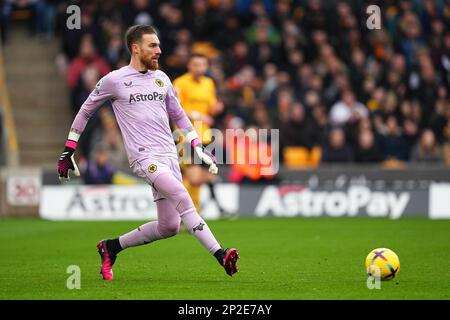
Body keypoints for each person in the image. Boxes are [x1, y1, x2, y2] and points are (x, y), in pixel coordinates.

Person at [57, 25, 239, 281]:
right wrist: (69, 150)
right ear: (135, 48)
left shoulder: (162, 78)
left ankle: (110, 247)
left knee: (169, 226)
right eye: (152, 46)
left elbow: (179, 115)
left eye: (159, 45)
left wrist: (198, 146)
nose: (159, 51)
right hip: (145, 158)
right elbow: (86, 110)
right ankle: (221, 255)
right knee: (182, 195)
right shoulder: (114, 80)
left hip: (169, 156)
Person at [173, 54, 228, 216]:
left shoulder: (208, 83)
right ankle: (181, 211)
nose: (200, 68)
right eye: (196, 64)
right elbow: (175, 109)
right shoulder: (180, 83)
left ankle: (192, 214)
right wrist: (197, 115)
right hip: (186, 135)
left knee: (200, 179)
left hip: (205, 135)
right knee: (195, 178)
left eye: (203, 65)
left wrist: (217, 108)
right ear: (189, 66)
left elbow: (211, 107)